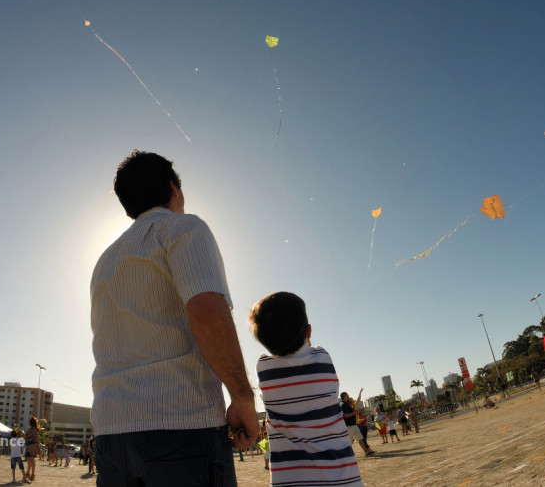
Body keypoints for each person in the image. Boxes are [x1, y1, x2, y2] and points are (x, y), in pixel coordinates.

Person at [90, 151, 257, 486]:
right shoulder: (184, 228)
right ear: (174, 189)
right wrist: (242, 396)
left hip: (110, 436)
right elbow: (209, 315)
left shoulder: (104, 262)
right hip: (181, 427)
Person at [249, 292, 364, 486]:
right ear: (308, 331)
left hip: (290, 480)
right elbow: (309, 350)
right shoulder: (323, 358)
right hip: (342, 478)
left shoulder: (263, 369)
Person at [23, 417, 41, 482]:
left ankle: (31, 474)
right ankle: (29, 473)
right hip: (33, 446)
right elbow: (36, 438)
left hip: (30, 445)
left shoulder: (31, 430)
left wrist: (24, 436)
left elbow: (31, 438)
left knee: (30, 460)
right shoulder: (35, 429)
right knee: (30, 460)